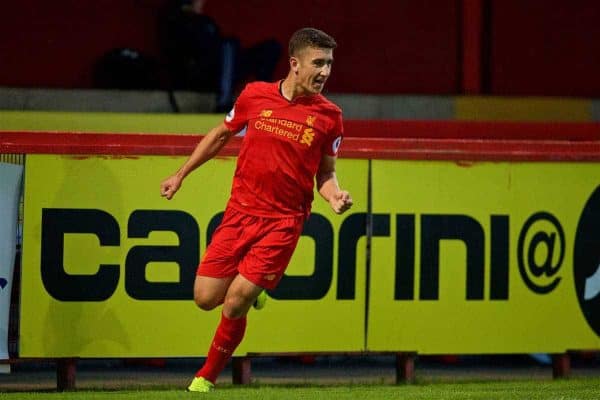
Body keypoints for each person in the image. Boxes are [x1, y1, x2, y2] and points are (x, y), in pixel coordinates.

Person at [160, 27, 352, 392]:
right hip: (239, 214)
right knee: (204, 298)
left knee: (234, 302)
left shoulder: (330, 117)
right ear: (295, 64)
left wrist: (335, 196)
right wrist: (180, 174)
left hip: (284, 222)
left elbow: (326, 174)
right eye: (318, 63)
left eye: (329, 63)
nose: (325, 71)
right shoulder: (254, 95)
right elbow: (220, 134)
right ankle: (255, 288)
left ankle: (205, 377)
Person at [159, 0, 281, 112]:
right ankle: (224, 102)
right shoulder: (175, 20)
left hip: (222, 70)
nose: (202, 2)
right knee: (229, 45)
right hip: (198, 74)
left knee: (271, 47)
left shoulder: (206, 21)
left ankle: (262, 99)